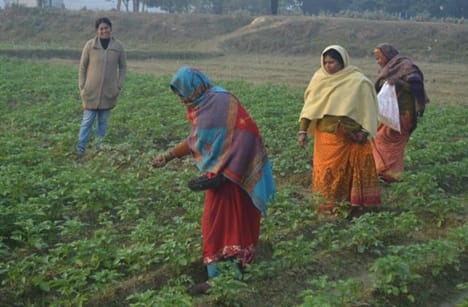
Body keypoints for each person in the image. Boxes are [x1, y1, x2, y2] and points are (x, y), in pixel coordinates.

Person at [151, 66, 275, 294]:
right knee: (222, 223)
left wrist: (224, 175)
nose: (181, 99)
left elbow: (246, 136)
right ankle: (230, 274)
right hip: (225, 174)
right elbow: (197, 140)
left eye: (181, 93)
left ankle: (221, 280)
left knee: (222, 224)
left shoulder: (217, 102)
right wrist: (167, 156)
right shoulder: (208, 102)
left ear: (193, 87)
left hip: (237, 176)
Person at [298, 45, 381, 215]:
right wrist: (302, 131)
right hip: (326, 137)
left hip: (350, 136)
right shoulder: (319, 79)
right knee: (328, 171)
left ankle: (349, 205)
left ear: (342, 62)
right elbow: (309, 109)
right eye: (326, 62)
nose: (328, 66)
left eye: (333, 62)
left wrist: (363, 132)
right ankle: (327, 206)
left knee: (347, 172)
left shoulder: (358, 81)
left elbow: (369, 110)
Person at [372, 43, 429, 183]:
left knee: (385, 139)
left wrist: (399, 83)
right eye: (376, 58)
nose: (378, 61)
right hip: (394, 114)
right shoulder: (391, 68)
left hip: (404, 113)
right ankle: (389, 173)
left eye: (380, 57)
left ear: (388, 55)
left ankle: (388, 173)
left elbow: (416, 85)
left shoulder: (405, 67)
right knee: (385, 140)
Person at [76, 17, 127, 156]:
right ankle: (80, 149)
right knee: (87, 121)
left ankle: (99, 149)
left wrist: (119, 85)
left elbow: (123, 68)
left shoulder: (118, 46)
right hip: (90, 92)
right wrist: (82, 86)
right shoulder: (90, 45)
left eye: (106, 28)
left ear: (110, 28)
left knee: (103, 123)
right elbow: (82, 67)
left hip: (109, 92)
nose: (104, 31)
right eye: (101, 29)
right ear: (97, 31)